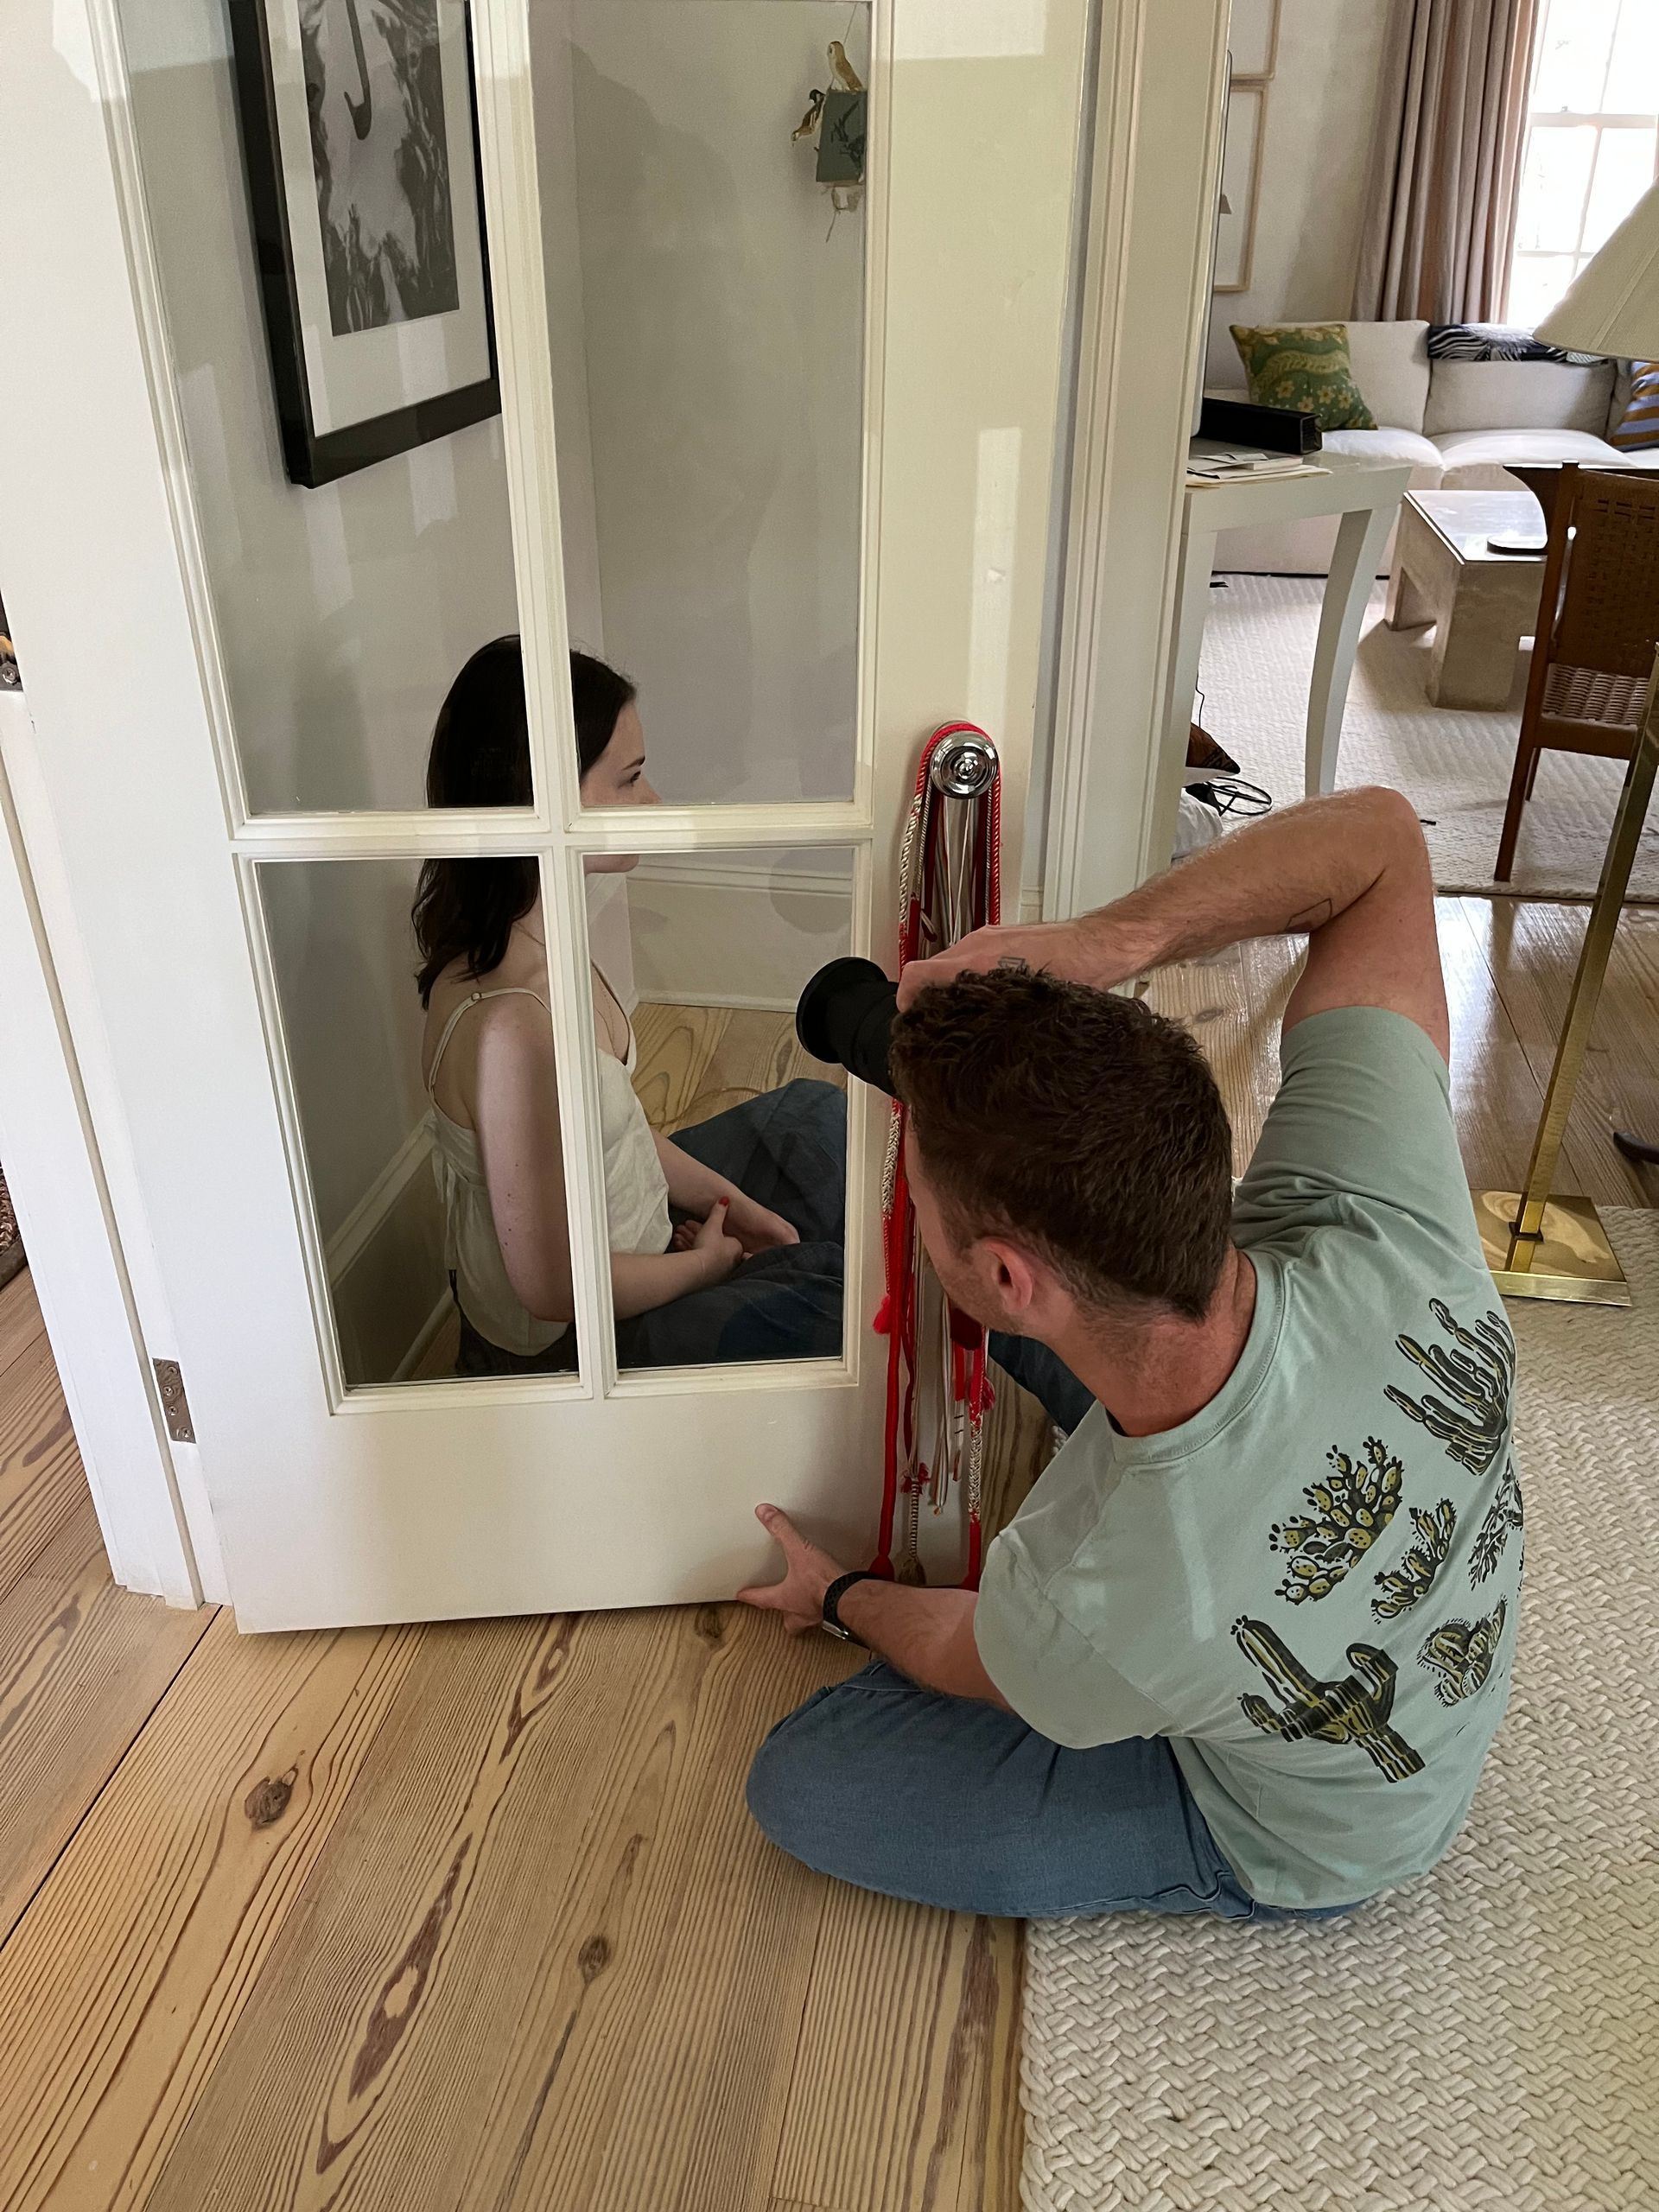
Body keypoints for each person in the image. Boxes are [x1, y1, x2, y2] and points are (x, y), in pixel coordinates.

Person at [738, 785, 1523, 1921]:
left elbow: (971, 1654)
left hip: (1318, 1834)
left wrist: (843, 1592)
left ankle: (1178, 1787)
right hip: (1327, 1572)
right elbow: (1386, 845)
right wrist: (1104, 947)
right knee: (819, 1148)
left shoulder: (1097, 1596)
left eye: (920, 1177)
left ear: (1009, 1278)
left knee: (807, 1778)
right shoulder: (1381, 1212)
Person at [416, 638, 846, 1375]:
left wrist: (737, 1209)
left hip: (631, 1235)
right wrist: (706, 1268)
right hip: (575, 1348)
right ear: (546, 797)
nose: (652, 801)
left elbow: (617, 1135)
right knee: (836, 1292)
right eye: (631, 779)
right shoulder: (511, 1024)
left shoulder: (537, 936)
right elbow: (554, 1289)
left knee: (814, 1114)